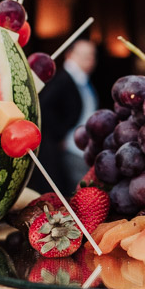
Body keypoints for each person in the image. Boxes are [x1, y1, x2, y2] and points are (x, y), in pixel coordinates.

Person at [37, 39, 98, 193]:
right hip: (68, 148)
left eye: (91, 55)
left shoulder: (82, 80)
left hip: (81, 149)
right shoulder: (62, 79)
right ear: (69, 55)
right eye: (83, 55)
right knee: (74, 191)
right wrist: (59, 136)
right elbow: (43, 107)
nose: (89, 59)